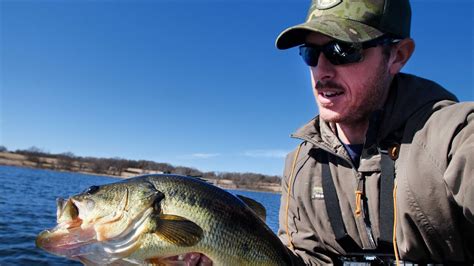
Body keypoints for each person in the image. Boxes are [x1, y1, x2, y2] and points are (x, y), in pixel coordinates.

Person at [275, 0, 474, 264]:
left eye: (343, 49)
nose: (321, 71)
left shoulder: (454, 137)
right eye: (310, 53)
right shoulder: (301, 163)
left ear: (397, 55)